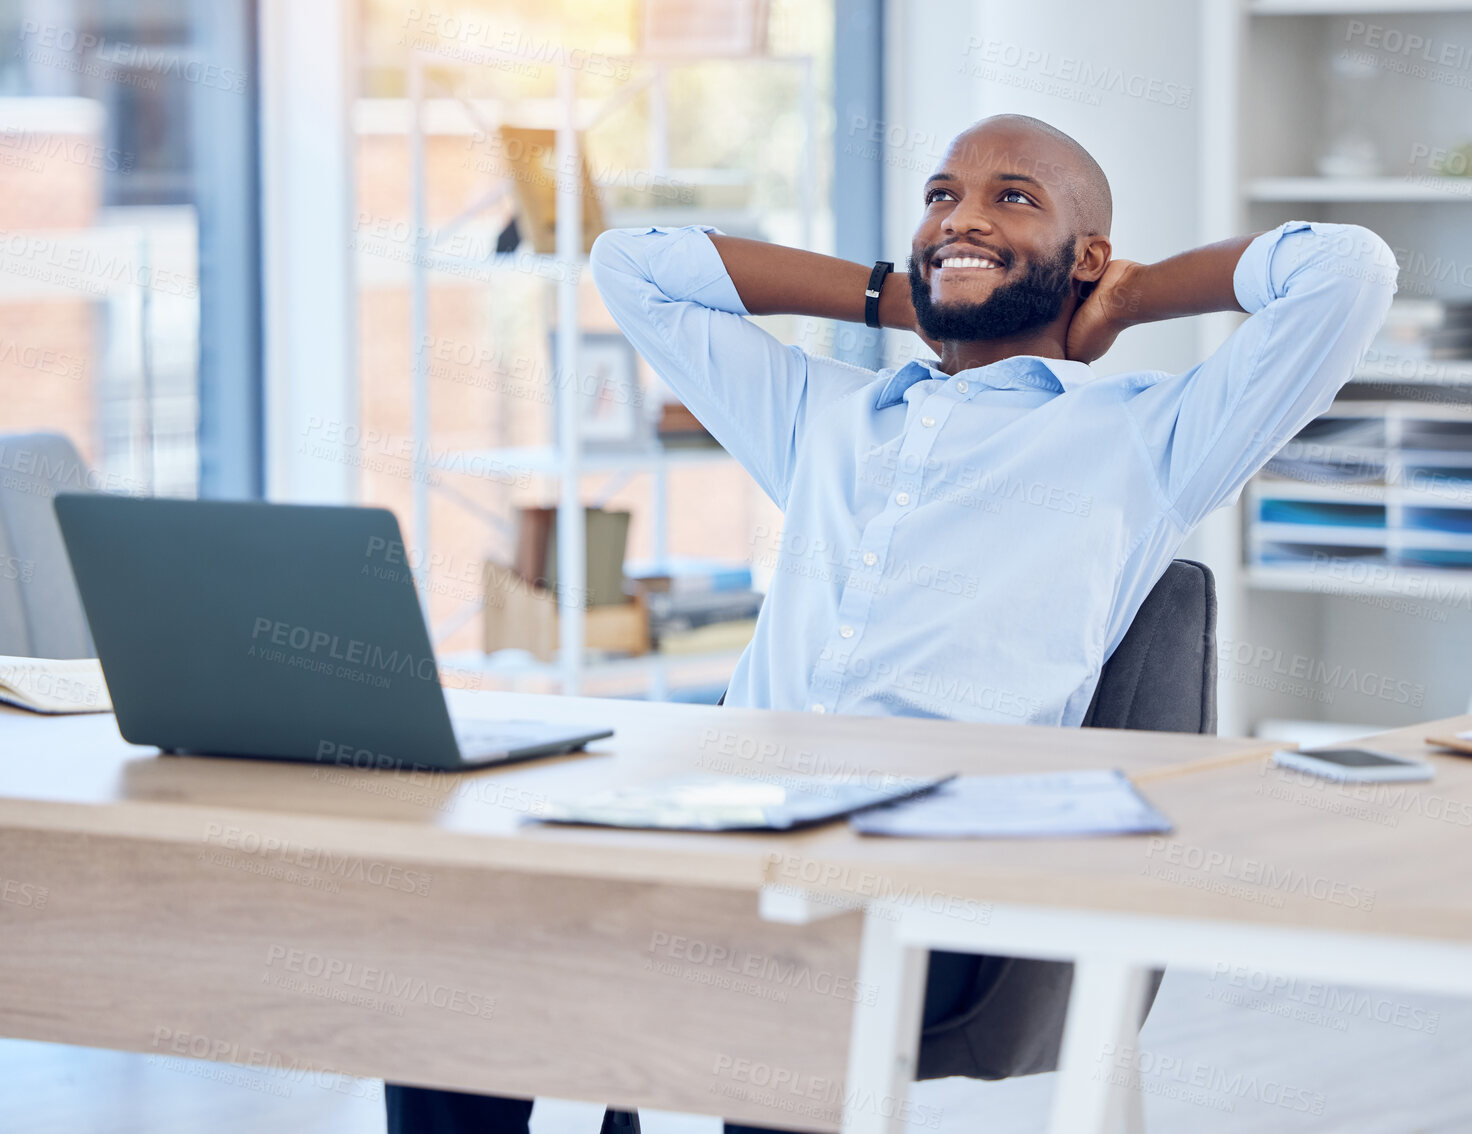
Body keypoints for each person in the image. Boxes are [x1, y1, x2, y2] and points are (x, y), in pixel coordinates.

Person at [385, 112, 1397, 1134]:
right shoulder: (825, 417)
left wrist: (1128, 297)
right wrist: (895, 296)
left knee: (778, 973)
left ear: (1087, 254)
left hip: (932, 865)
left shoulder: (1143, 435)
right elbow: (633, 264)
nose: (962, 216)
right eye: (940, 196)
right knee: (453, 947)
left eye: (1014, 197)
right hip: (723, 824)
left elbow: (1346, 270)